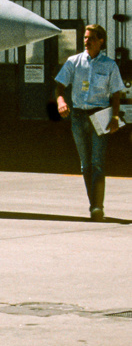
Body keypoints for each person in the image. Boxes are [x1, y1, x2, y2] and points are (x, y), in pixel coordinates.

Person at [54, 24, 124, 220]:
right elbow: (59, 86)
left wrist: (115, 118)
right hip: (77, 116)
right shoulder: (73, 62)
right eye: (85, 37)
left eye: (91, 38)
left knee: (98, 163)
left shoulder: (109, 65)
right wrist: (61, 101)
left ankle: (97, 207)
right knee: (85, 165)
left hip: (100, 116)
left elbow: (116, 94)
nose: (86, 41)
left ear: (101, 41)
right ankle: (93, 203)